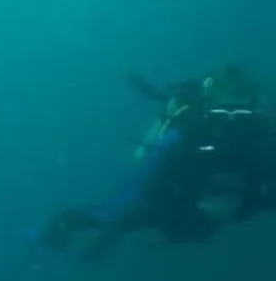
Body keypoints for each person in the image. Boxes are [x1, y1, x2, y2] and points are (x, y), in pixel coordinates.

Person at [36, 63, 276, 262]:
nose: (233, 126)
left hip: (230, 202)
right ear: (211, 108)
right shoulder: (189, 132)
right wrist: (108, 218)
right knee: (133, 216)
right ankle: (58, 226)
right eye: (225, 115)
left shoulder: (262, 139)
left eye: (245, 116)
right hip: (178, 202)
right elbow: (142, 180)